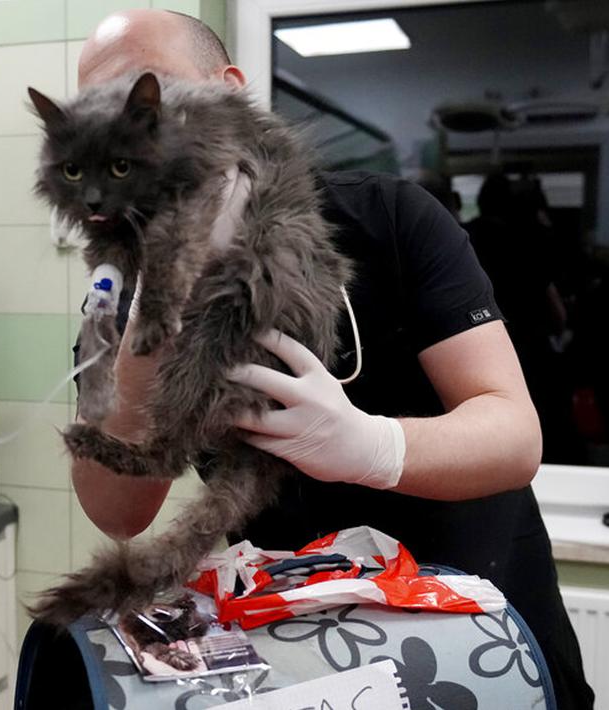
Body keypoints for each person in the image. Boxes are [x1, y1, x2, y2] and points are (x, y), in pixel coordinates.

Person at [68, 10, 595, 709]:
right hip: (312, 651)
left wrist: (373, 446)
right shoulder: (121, 291)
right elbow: (114, 510)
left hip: (479, 633)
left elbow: (513, 435)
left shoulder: (390, 218)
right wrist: (145, 340)